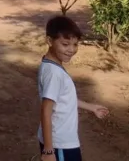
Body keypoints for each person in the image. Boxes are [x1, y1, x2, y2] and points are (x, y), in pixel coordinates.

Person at [38, 16, 109, 161]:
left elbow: (64, 98)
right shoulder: (54, 74)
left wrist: (91, 107)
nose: (71, 50)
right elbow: (46, 110)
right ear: (50, 41)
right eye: (65, 44)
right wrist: (48, 151)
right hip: (59, 144)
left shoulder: (50, 64)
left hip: (59, 142)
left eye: (75, 44)